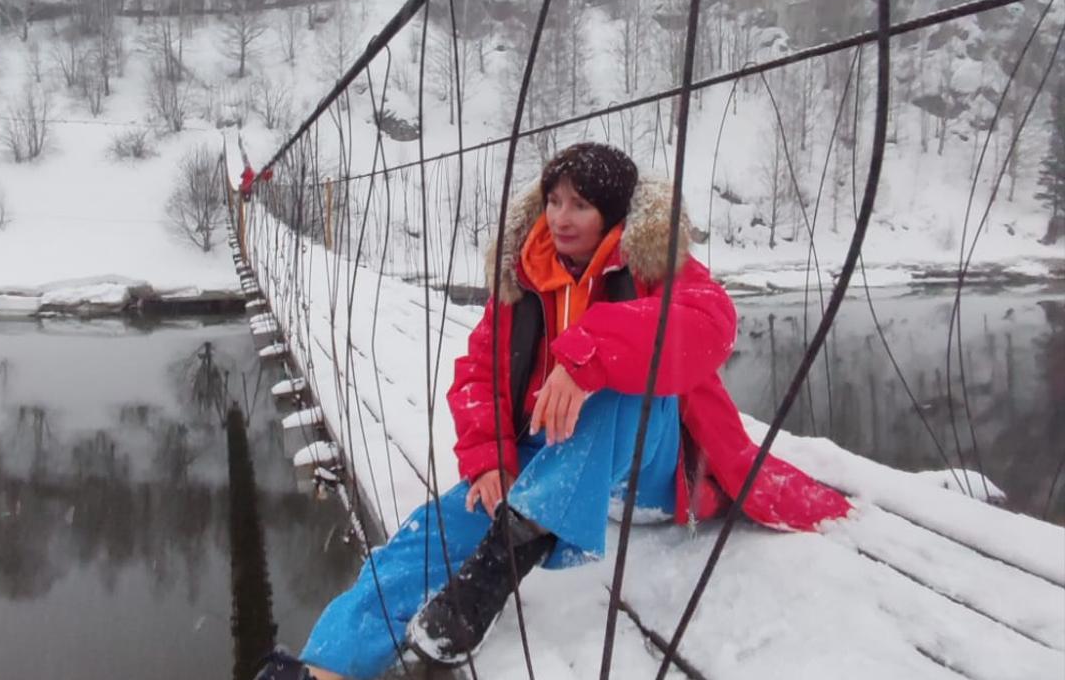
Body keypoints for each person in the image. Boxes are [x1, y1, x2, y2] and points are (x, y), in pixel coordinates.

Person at [254, 143, 850, 680]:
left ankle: (501, 564)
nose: (561, 218)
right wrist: (489, 457)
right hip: (549, 463)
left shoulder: (656, 267)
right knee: (426, 537)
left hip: (651, 468)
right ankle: (325, 667)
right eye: (554, 201)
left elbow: (713, 324)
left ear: (613, 216)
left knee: (619, 389)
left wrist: (589, 356)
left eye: (580, 206)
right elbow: (479, 375)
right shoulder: (523, 279)